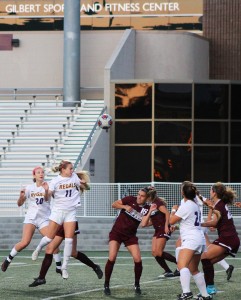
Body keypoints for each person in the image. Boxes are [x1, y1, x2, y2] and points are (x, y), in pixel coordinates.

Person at [31, 160, 89, 280]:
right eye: (70, 168)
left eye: (72, 168)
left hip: (71, 212)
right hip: (58, 212)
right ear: (63, 169)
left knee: (68, 241)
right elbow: (47, 198)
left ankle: (64, 267)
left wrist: (84, 183)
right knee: (49, 238)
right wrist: (46, 190)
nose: (72, 170)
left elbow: (87, 188)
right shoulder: (55, 181)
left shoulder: (74, 177)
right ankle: (38, 248)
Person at [1, 166, 61, 273]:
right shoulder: (29, 188)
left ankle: (59, 267)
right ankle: (8, 260)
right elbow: (19, 204)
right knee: (25, 242)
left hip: (44, 218)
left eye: (42, 172)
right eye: (38, 172)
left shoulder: (48, 186)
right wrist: (21, 196)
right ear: (34, 175)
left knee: (52, 241)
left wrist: (47, 190)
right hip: (31, 218)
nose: (41, 174)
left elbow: (47, 199)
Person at [103, 187, 151, 296]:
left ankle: (137, 284)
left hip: (130, 236)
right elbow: (114, 204)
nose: (139, 197)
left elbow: (144, 223)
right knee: (112, 257)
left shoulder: (147, 208)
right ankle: (106, 284)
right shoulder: (130, 199)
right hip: (117, 233)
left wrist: (154, 221)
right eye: (138, 194)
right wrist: (124, 206)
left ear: (147, 198)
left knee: (138, 259)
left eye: (142, 196)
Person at [169, 182, 212, 300]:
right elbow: (187, 222)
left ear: (183, 192)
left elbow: (171, 220)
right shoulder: (194, 204)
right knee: (194, 269)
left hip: (191, 239)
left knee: (182, 265)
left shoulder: (186, 205)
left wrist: (173, 210)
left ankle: (186, 292)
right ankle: (205, 295)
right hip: (199, 238)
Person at [29, 221, 103, 287]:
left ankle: (95, 267)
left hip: (70, 221)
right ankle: (41, 278)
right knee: (49, 249)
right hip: (60, 221)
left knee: (73, 252)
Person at [201, 182, 240, 295]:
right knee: (207, 262)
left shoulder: (219, 205)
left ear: (214, 193)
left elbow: (214, 221)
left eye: (210, 190)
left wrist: (198, 224)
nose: (209, 192)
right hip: (231, 239)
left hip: (228, 238)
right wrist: (213, 224)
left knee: (204, 257)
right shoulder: (220, 203)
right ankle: (209, 288)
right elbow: (216, 222)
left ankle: (210, 288)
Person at [141, 187, 179, 278]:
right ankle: (168, 271)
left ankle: (180, 263)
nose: (142, 197)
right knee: (154, 252)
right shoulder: (148, 205)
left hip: (163, 228)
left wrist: (166, 226)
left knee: (159, 252)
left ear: (149, 196)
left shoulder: (158, 202)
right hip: (157, 230)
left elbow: (167, 213)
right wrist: (148, 224)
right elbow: (154, 219)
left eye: (143, 196)